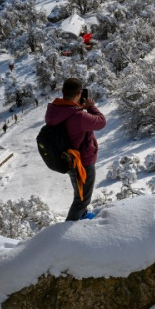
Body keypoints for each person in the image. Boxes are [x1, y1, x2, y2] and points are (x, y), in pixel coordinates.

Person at [45, 77, 106, 220]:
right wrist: (91, 107)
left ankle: (82, 216)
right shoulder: (79, 116)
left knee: (79, 193)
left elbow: (71, 119)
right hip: (82, 162)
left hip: (68, 158)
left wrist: (79, 109)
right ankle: (69, 231)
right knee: (82, 199)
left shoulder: (55, 110)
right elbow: (101, 122)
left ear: (63, 92)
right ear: (79, 93)